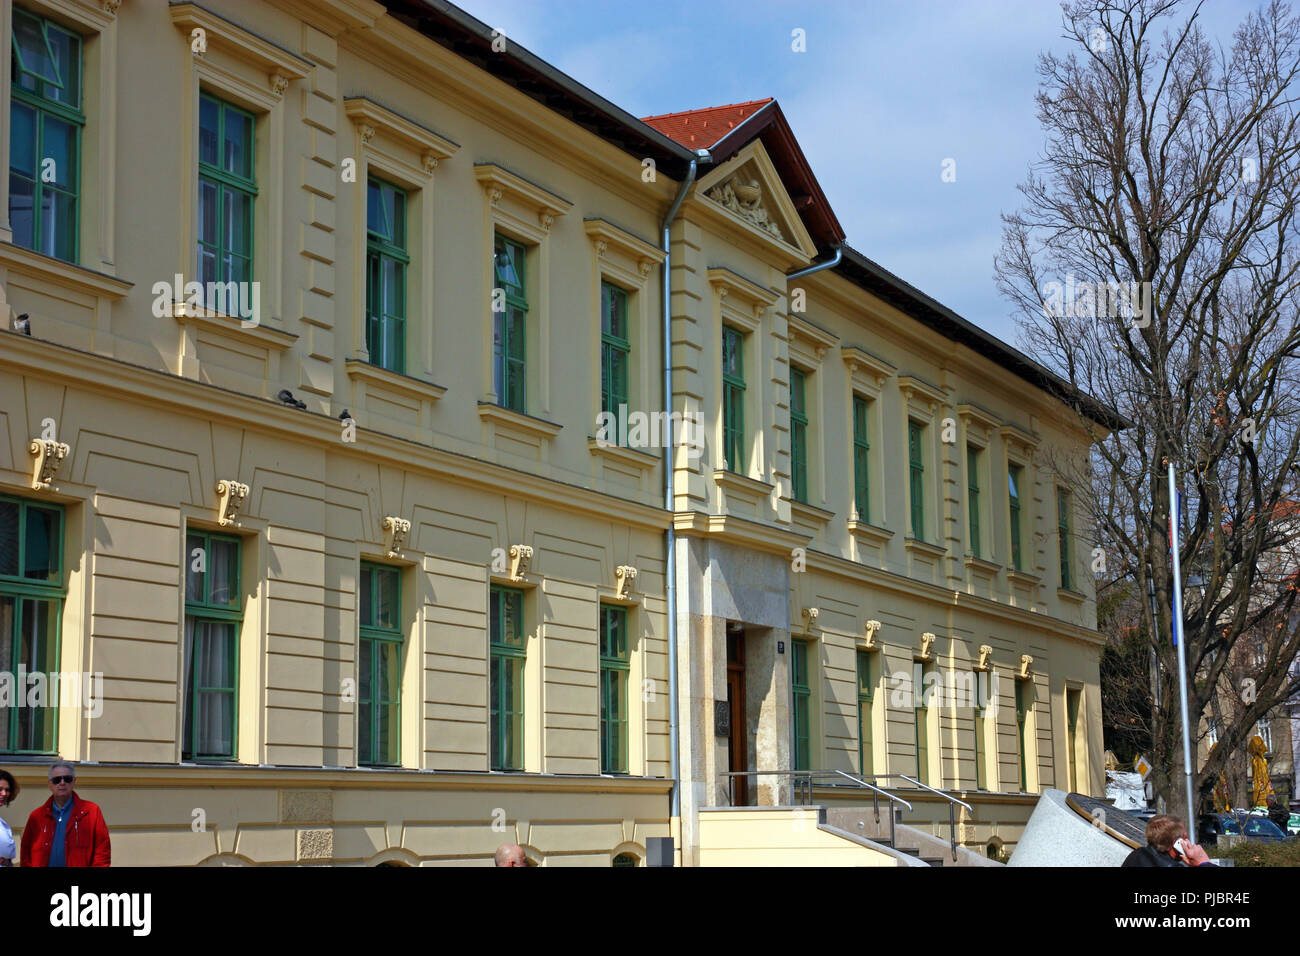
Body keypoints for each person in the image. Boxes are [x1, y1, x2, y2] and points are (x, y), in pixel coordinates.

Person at [20, 761, 111, 867]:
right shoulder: (36, 816)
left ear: (74, 781)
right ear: (49, 784)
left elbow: (102, 850)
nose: (62, 783)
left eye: (67, 779)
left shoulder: (91, 812)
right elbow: (25, 853)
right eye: (56, 780)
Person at [1121, 813, 1216, 867]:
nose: (1188, 841)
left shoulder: (1136, 856)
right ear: (1177, 843)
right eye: (1185, 838)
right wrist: (1203, 862)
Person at [0, 770, 18, 867]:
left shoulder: (3, 824)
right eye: (0, 789)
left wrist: (7, 862)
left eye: (7, 790)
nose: (4, 793)